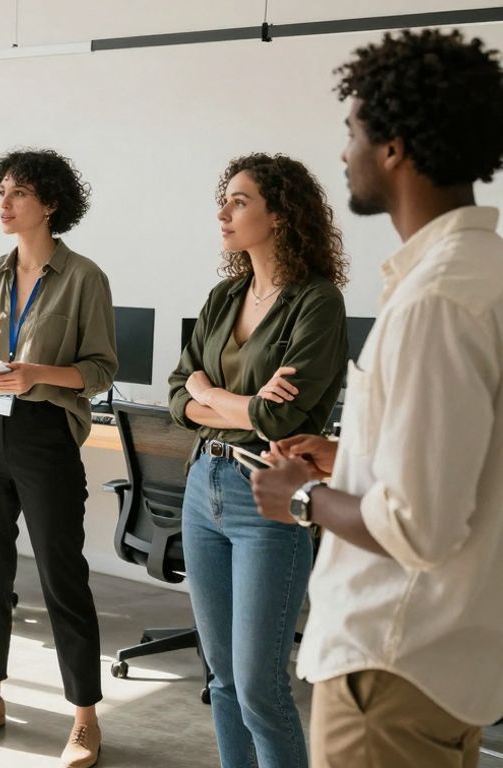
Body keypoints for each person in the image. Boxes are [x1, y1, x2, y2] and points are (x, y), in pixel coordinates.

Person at [252, 28, 503, 768]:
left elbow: (419, 526)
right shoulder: (484, 273)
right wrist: (351, 458)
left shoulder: (436, 301)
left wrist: (299, 499)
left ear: (393, 148)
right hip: (449, 661)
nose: (343, 154)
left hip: (388, 668)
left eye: (352, 131)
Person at [0, 148, 117, 768]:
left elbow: (100, 370)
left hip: (45, 435)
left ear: (51, 203)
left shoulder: (85, 277)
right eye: (0, 192)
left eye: (18, 194)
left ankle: (85, 717)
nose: (3, 204)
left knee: (63, 578)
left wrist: (38, 373)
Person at [168, 153, 349, 768]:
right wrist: (230, 401)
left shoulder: (317, 303)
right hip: (203, 486)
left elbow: (280, 419)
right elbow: (173, 395)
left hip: (265, 494)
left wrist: (208, 392)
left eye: (240, 201)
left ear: (280, 215)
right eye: (226, 198)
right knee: (219, 678)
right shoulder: (224, 296)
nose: (223, 211)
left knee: (259, 688)